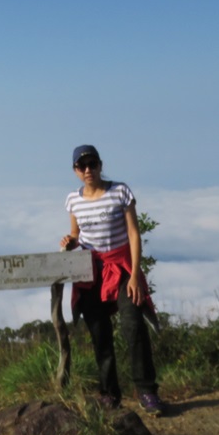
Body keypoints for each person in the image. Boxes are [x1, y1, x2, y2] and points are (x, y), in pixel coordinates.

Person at [59, 144, 163, 416]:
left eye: (92, 164)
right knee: (99, 333)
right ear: (75, 171)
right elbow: (76, 235)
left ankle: (147, 391)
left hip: (122, 266)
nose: (88, 170)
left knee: (133, 325)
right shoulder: (73, 200)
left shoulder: (120, 192)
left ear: (100, 165)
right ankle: (109, 394)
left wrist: (134, 275)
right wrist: (69, 242)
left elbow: (134, 234)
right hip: (91, 270)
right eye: (82, 166)